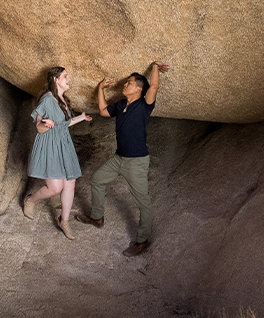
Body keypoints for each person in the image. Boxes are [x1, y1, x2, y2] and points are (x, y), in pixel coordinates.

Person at [77, 60, 169, 256]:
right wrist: (100, 88)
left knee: (143, 202)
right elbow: (102, 111)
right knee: (97, 179)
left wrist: (154, 65)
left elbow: (153, 85)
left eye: (129, 83)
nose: (125, 85)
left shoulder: (145, 105)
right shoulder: (120, 105)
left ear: (138, 88)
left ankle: (142, 240)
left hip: (136, 162)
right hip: (118, 159)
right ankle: (97, 218)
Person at [23, 66, 92, 240]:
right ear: (56, 80)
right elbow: (38, 126)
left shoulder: (63, 99)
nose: (69, 79)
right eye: (65, 76)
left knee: (70, 184)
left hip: (64, 144)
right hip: (50, 145)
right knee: (55, 188)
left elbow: (64, 124)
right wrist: (46, 125)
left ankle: (65, 221)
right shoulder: (47, 99)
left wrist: (81, 117)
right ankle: (30, 200)